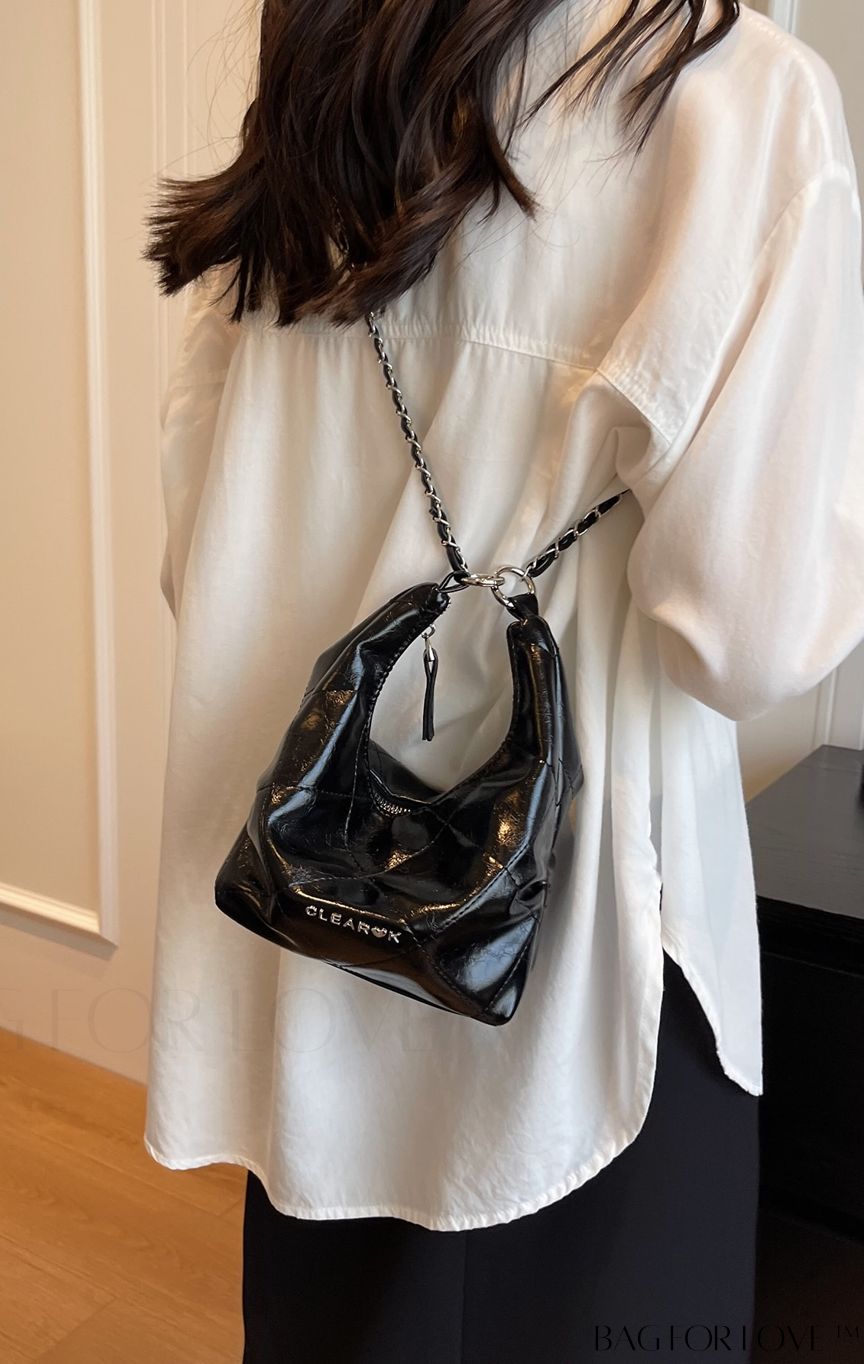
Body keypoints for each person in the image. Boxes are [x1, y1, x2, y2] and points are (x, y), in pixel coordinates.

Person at [141, 1, 864, 1360]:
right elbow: (752, 633)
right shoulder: (733, 104)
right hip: (584, 969)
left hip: (316, 925)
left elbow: (200, 539)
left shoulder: (331, 64)